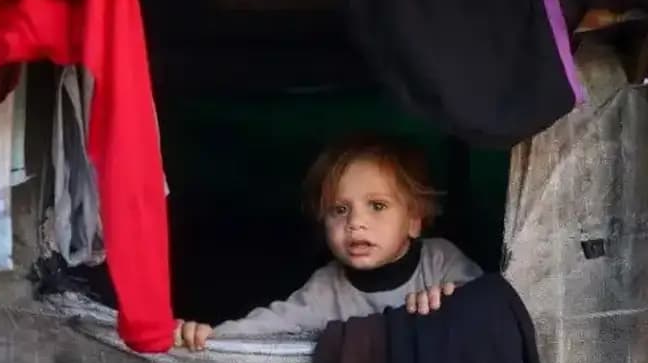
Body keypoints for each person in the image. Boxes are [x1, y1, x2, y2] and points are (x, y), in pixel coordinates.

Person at [176, 134, 483, 351]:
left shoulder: (439, 260)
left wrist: (451, 299)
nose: (355, 222)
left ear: (414, 220)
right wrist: (211, 337)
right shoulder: (326, 288)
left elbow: (487, 308)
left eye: (377, 206)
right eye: (340, 210)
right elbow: (274, 322)